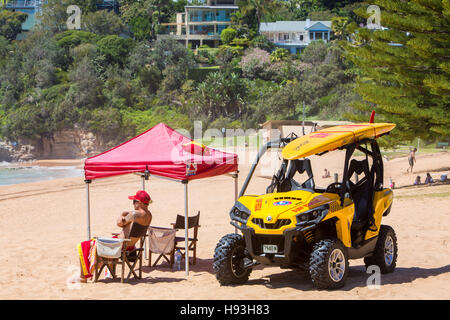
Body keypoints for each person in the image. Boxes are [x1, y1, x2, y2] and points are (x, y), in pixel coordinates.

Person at [76, 190, 152, 283]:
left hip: (119, 246)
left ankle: (83, 277)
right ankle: (108, 272)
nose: (133, 204)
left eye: (134, 201)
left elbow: (119, 223)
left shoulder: (135, 214)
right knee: (92, 242)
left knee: (84, 245)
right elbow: (128, 223)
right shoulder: (149, 215)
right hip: (130, 245)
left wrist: (121, 215)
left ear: (139, 203)